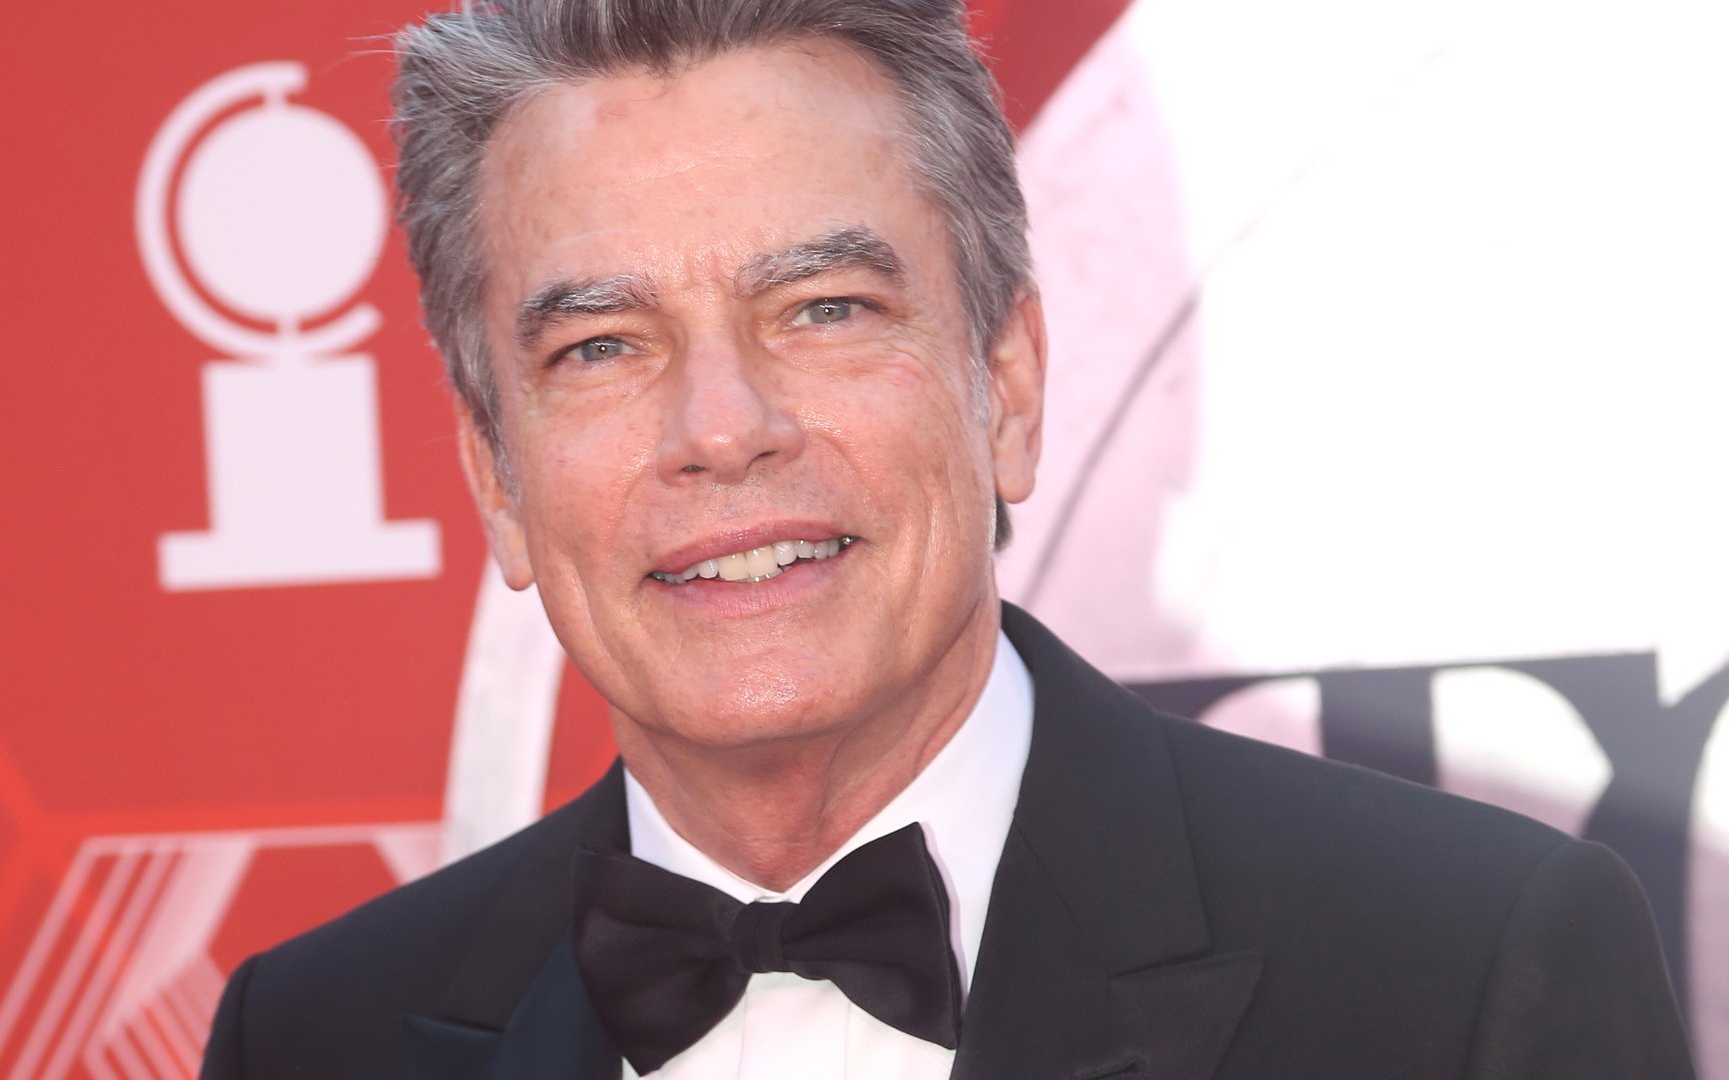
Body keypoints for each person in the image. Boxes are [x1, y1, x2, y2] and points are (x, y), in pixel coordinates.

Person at [201, 1, 1696, 1076]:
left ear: (1011, 390)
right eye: (601, 345)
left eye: (825, 311)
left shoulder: (1462, 976)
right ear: (498, 482)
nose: (722, 429)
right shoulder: (315, 1038)